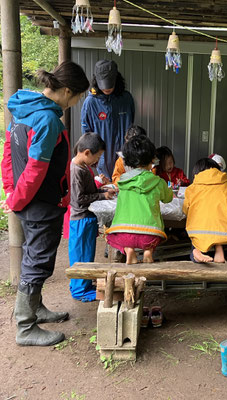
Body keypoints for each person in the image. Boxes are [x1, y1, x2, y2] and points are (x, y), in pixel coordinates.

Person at [0, 61, 90, 346]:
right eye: (77, 97)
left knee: (36, 256)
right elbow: (36, 168)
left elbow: (7, 155)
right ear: (65, 91)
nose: (76, 102)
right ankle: (25, 327)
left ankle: (35, 309)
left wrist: (11, 192)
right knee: (37, 261)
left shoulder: (23, 111)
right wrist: (15, 197)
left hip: (32, 201)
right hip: (40, 203)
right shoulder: (48, 120)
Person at [106, 136, 173, 264]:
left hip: (123, 233)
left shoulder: (122, 182)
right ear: (153, 159)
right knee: (157, 234)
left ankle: (128, 250)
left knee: (113, 236)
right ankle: (149, 251)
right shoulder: (158, 182)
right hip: (150, 235)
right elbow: (168, 198)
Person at [69, 133, 116, 302]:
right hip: (80, 219)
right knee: (80, 256)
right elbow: (79, 199)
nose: (98, 160)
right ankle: (80, 290)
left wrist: (104, 192)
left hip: (87, 219)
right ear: (87, 152)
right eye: (98, 156)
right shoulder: (75, 170)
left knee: (87, 255)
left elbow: (89, 192)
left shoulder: (84, 167)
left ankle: (85, 284)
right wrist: (103, 197)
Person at [81, 60, 135, 180]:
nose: (107, 88)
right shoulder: (91, 102)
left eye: (110, 84)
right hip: (103, 156)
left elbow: (131, 127)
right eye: (104, 85)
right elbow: (87, 133)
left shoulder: (126, 99)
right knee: (107, 189)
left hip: (124, 155)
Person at [183, 158, 227, 263]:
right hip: (225, 234)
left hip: (198, 231)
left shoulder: (191, 189)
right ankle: (219, 250)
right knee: (219, 226)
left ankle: (196, 252)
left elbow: (185, 210)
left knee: (198, 238)